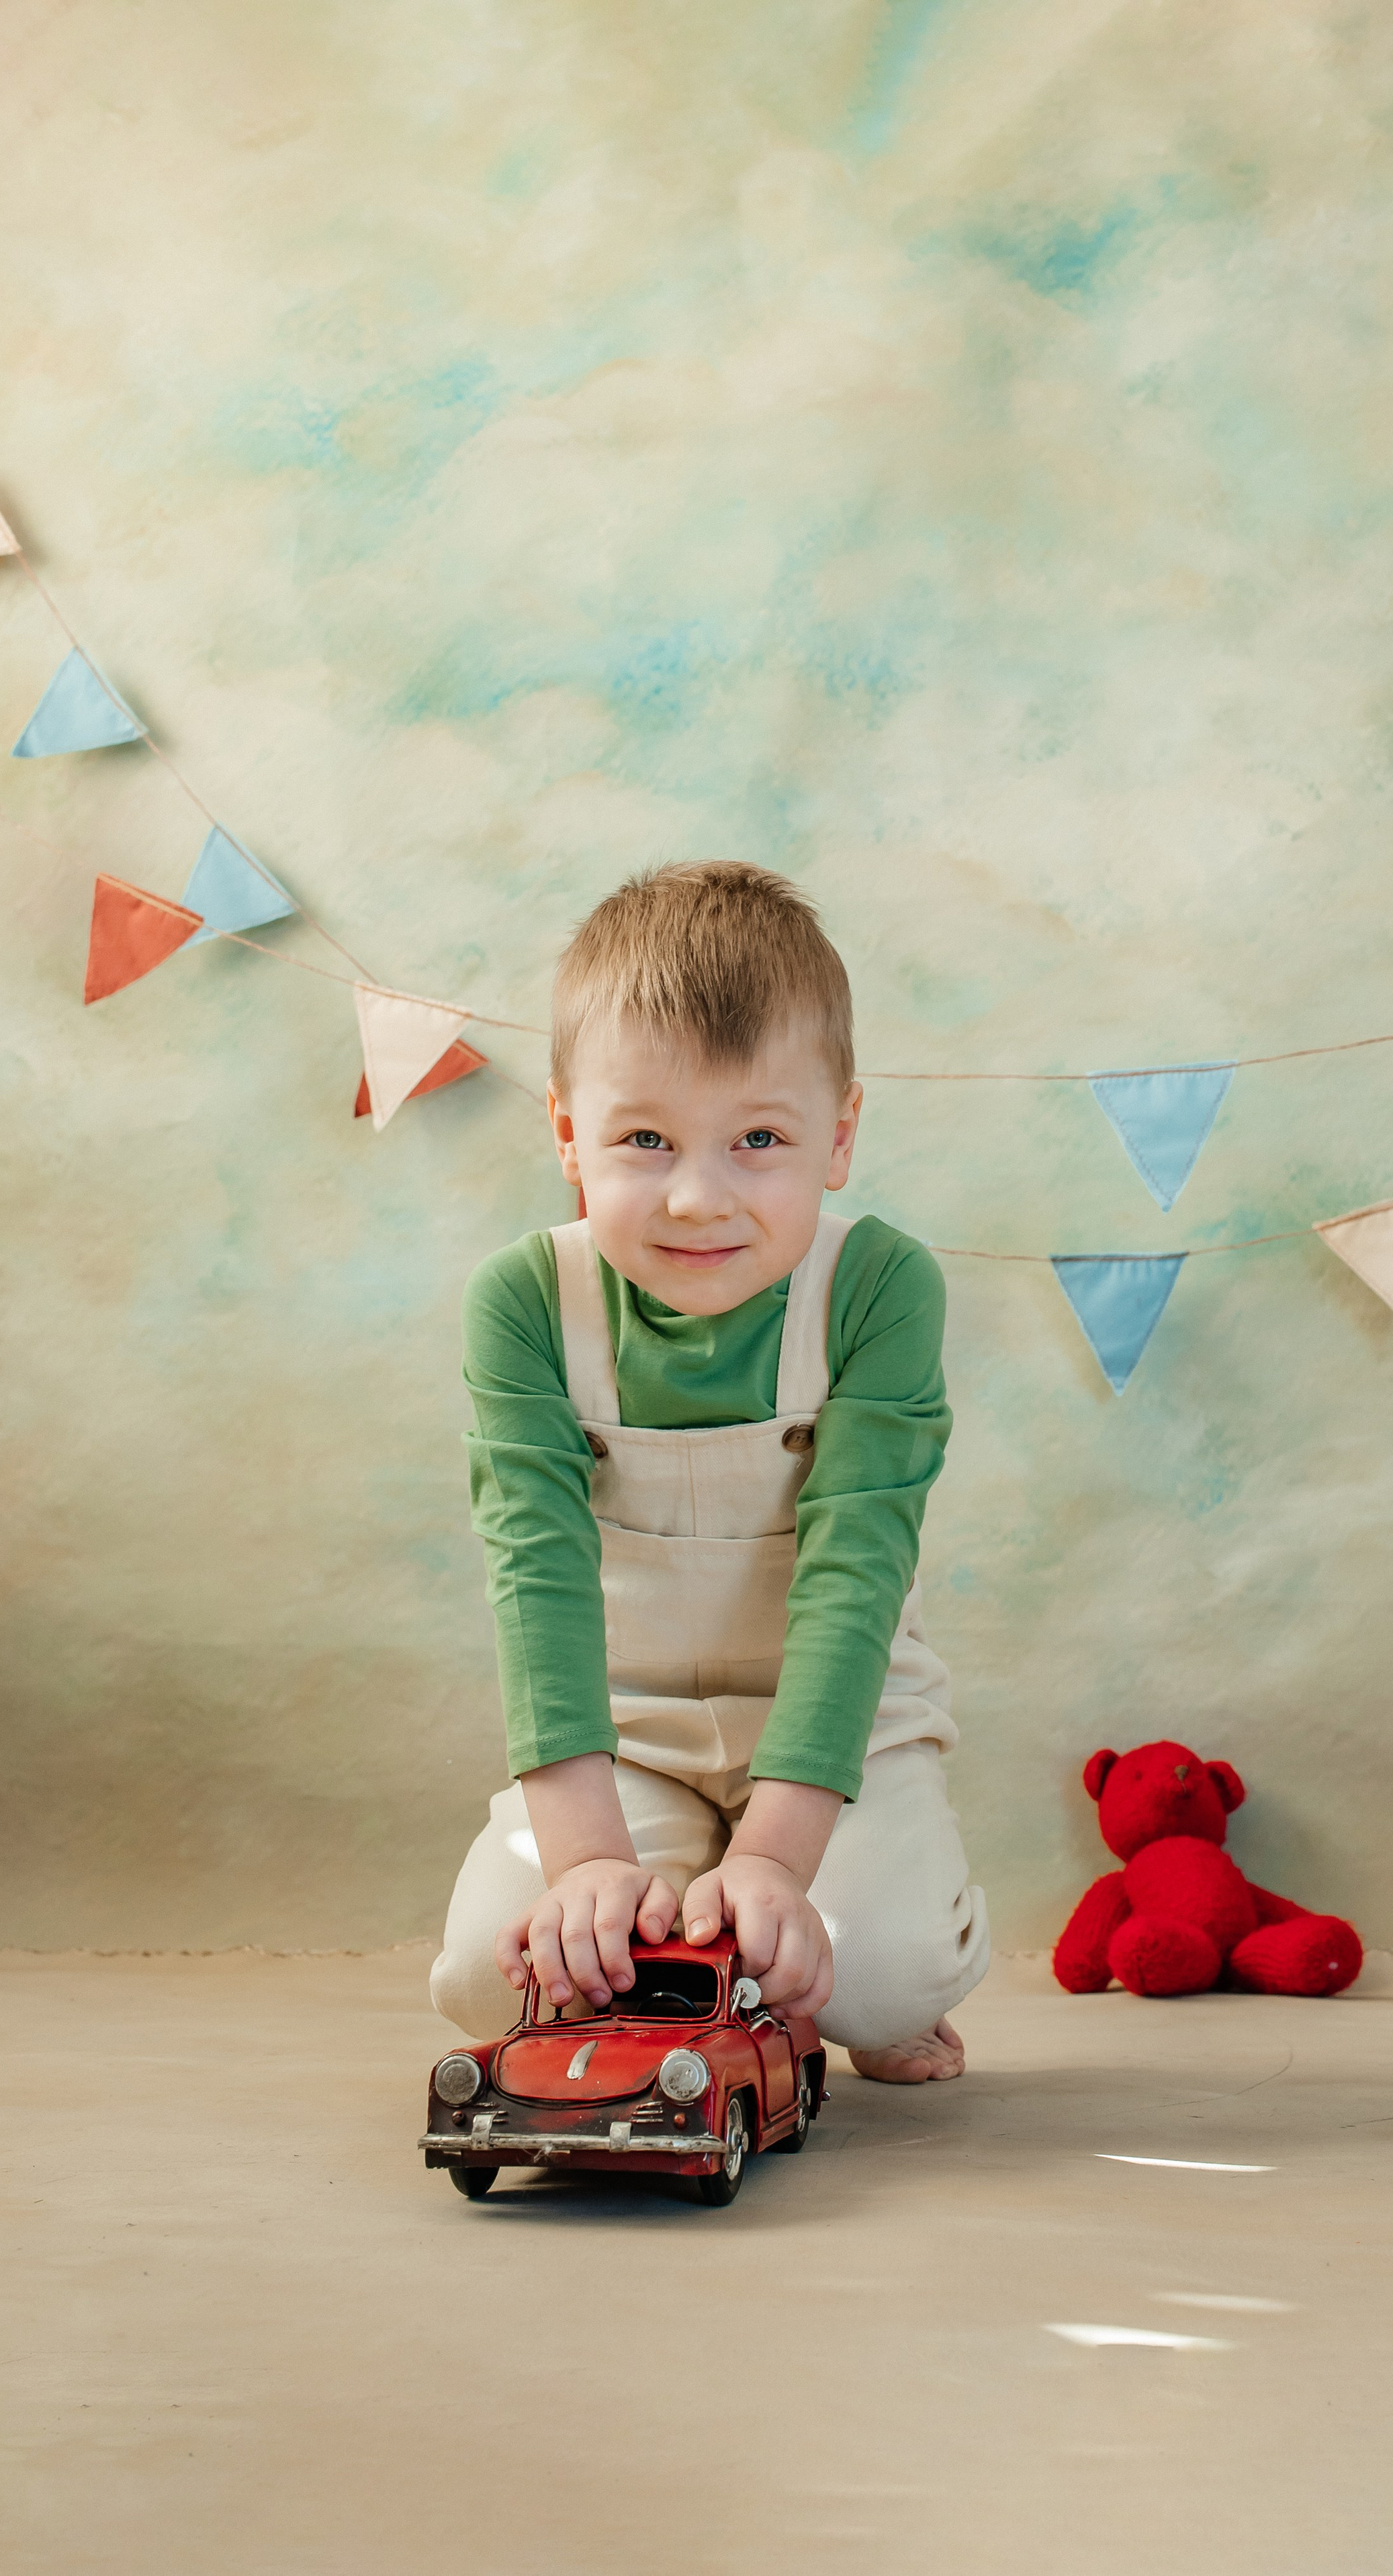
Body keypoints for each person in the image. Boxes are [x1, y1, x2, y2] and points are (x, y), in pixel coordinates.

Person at [430, 860, 989, 2083]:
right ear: (567, 1135)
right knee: (494, 1973)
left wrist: (778, 1861)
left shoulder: (879, 1289)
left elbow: (855, 1577)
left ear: (839, 1135)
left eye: (759, 1141)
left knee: (874, 1973)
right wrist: (587, 1865)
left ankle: (835, 1940)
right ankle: (691, 1920)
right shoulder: (524, 1303)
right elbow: (536, 1583)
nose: (697, 1198)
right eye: (645, 1139)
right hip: (625, 1737)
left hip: (845, 1730)